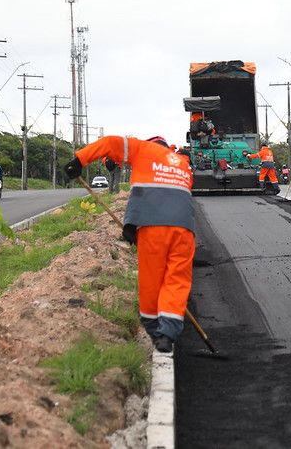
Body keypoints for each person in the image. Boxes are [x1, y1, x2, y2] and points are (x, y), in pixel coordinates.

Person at [64, 135, 195, 353]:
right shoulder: (181, 163)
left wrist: (79, 160)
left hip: (152, 225)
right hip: (184, 226)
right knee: (177, 278)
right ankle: (169, 330)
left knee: (152, 277)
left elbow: (110, 143)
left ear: (150, 143)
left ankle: (155, 329)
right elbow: (168, 192)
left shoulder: (142, 149)